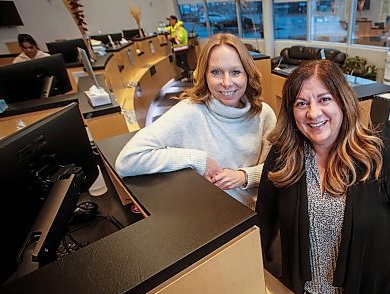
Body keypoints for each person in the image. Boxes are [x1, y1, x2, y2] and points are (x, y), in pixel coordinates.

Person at [256, 60, 390, 294]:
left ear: (342, 101)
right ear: (291, 111)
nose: (313, 113)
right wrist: (257, 261)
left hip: (369, 273)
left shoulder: (377, 154)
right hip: (315, 282)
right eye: (301, 103)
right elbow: (265, 213)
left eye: (324, 99)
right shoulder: (283, 155)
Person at [115, 33, 276, 210]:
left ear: (247, 74)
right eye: (216, 72)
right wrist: (198, 160)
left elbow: (278, 170)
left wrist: (245, 176)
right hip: (206, 214)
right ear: (204, 75)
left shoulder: (264, 114)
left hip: (254, 214)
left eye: (236, 72)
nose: (227, 82)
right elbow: (127, 160)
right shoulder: (189, 111)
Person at [165, 15, 190, 82]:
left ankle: (188, 75)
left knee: (185, 63)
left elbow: (180, 40)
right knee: (178, 63)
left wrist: (171, 39)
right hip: (177, 49)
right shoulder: (172, 28)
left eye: (170, 20)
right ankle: (188, 72)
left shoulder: (180, 28)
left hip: (182, 48)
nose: (169, 22)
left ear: (174, 20)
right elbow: (165, 30)